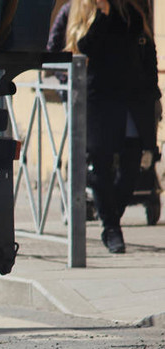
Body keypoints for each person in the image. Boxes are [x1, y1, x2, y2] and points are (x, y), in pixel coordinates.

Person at [62, 0, 160, 254]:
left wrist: (154, 94)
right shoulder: (83, 13)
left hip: (131, 101)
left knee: (131, 169)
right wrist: (102, 15)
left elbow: (147, 51)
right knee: (100, 165)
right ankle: (112, 228)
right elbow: (84, 49)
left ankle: (110, 216)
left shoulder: (129, 13)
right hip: (99, 103)